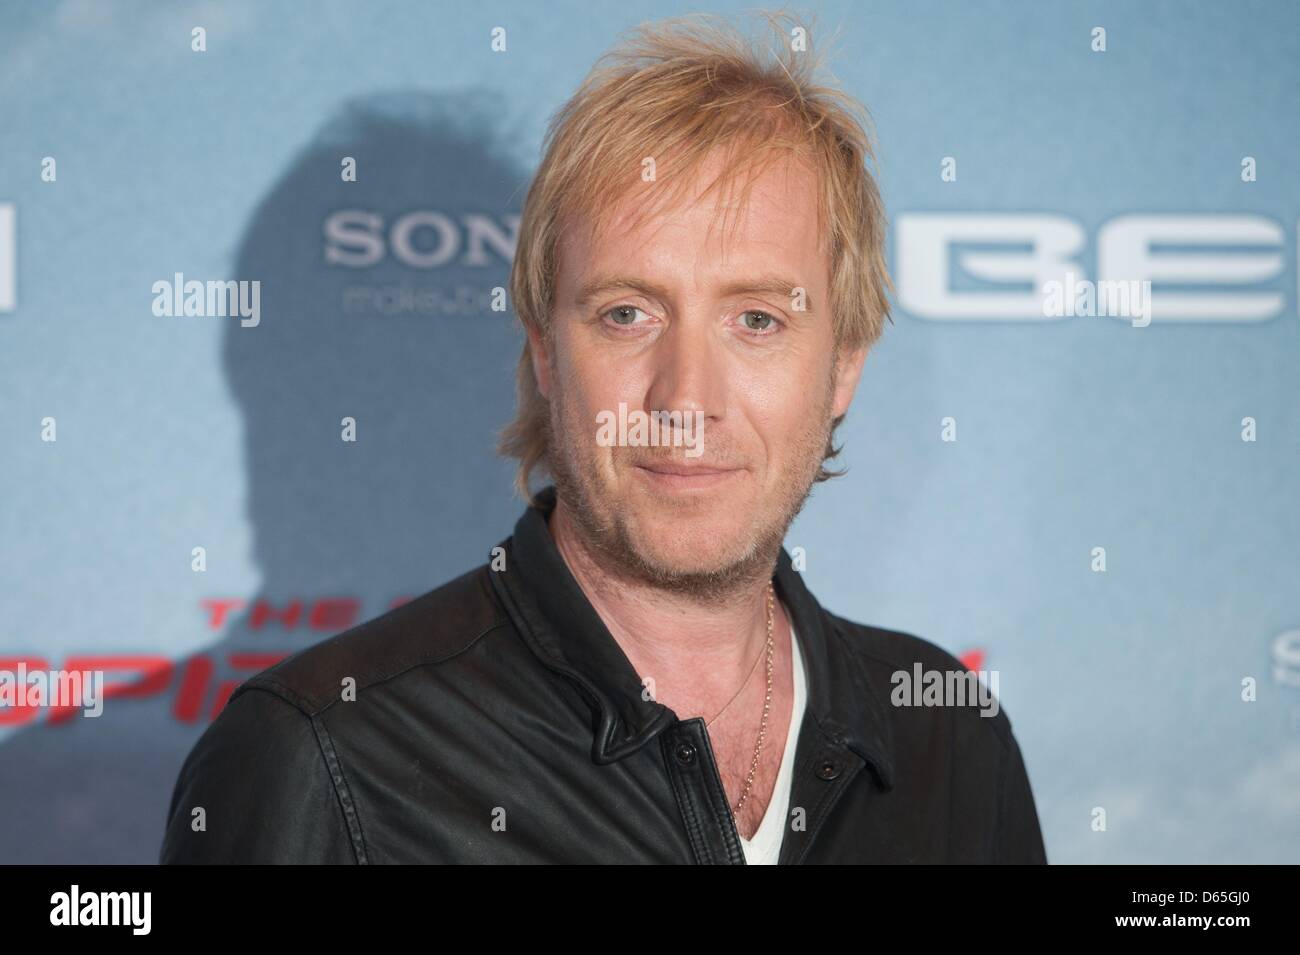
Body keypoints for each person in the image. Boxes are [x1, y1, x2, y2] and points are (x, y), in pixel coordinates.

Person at [160, 11, 1047, 865]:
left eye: (758, 319)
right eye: (627, 313)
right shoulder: (323, 756)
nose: (685, 397)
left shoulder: (947, 734)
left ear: (844, 364)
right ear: (545, 352)